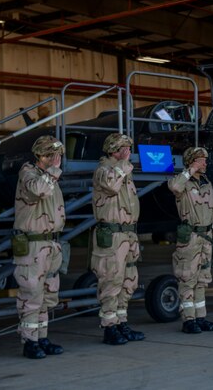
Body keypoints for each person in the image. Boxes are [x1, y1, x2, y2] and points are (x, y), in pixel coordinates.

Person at [13, 135, 66, 359]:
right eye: (53, 155)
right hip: (34, 244)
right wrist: (53, 171)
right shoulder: (29, 173)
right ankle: (29, 341)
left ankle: (42, 337)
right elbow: (39, 191)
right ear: (41, 156)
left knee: (47, 295)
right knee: (31, 294)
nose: (57, 159)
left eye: (59, 155)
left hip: (51, 243)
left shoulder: (49, 177)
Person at [91, 133, 145, 345]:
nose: (128, 152)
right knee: (111, 281)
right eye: (124, 148)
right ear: (114, 149)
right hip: (112, 235)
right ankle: (109, 327)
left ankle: (121, 322)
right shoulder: (104, 170)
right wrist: (123, 164)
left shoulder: (124, 171)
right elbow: (111, 186)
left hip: (128, 233)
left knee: (128, 281)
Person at [167, 147, 213, 334]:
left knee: (202, 280)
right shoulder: (182, 182)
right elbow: (174, 186)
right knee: (187, 279)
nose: (205, 163)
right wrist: (190, 170)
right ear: (192, 161)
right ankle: (188, 319)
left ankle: (201, 317)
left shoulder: (207, 183)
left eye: (205, 160)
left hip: (206, 238)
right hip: (190, 237)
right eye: (201, 160)